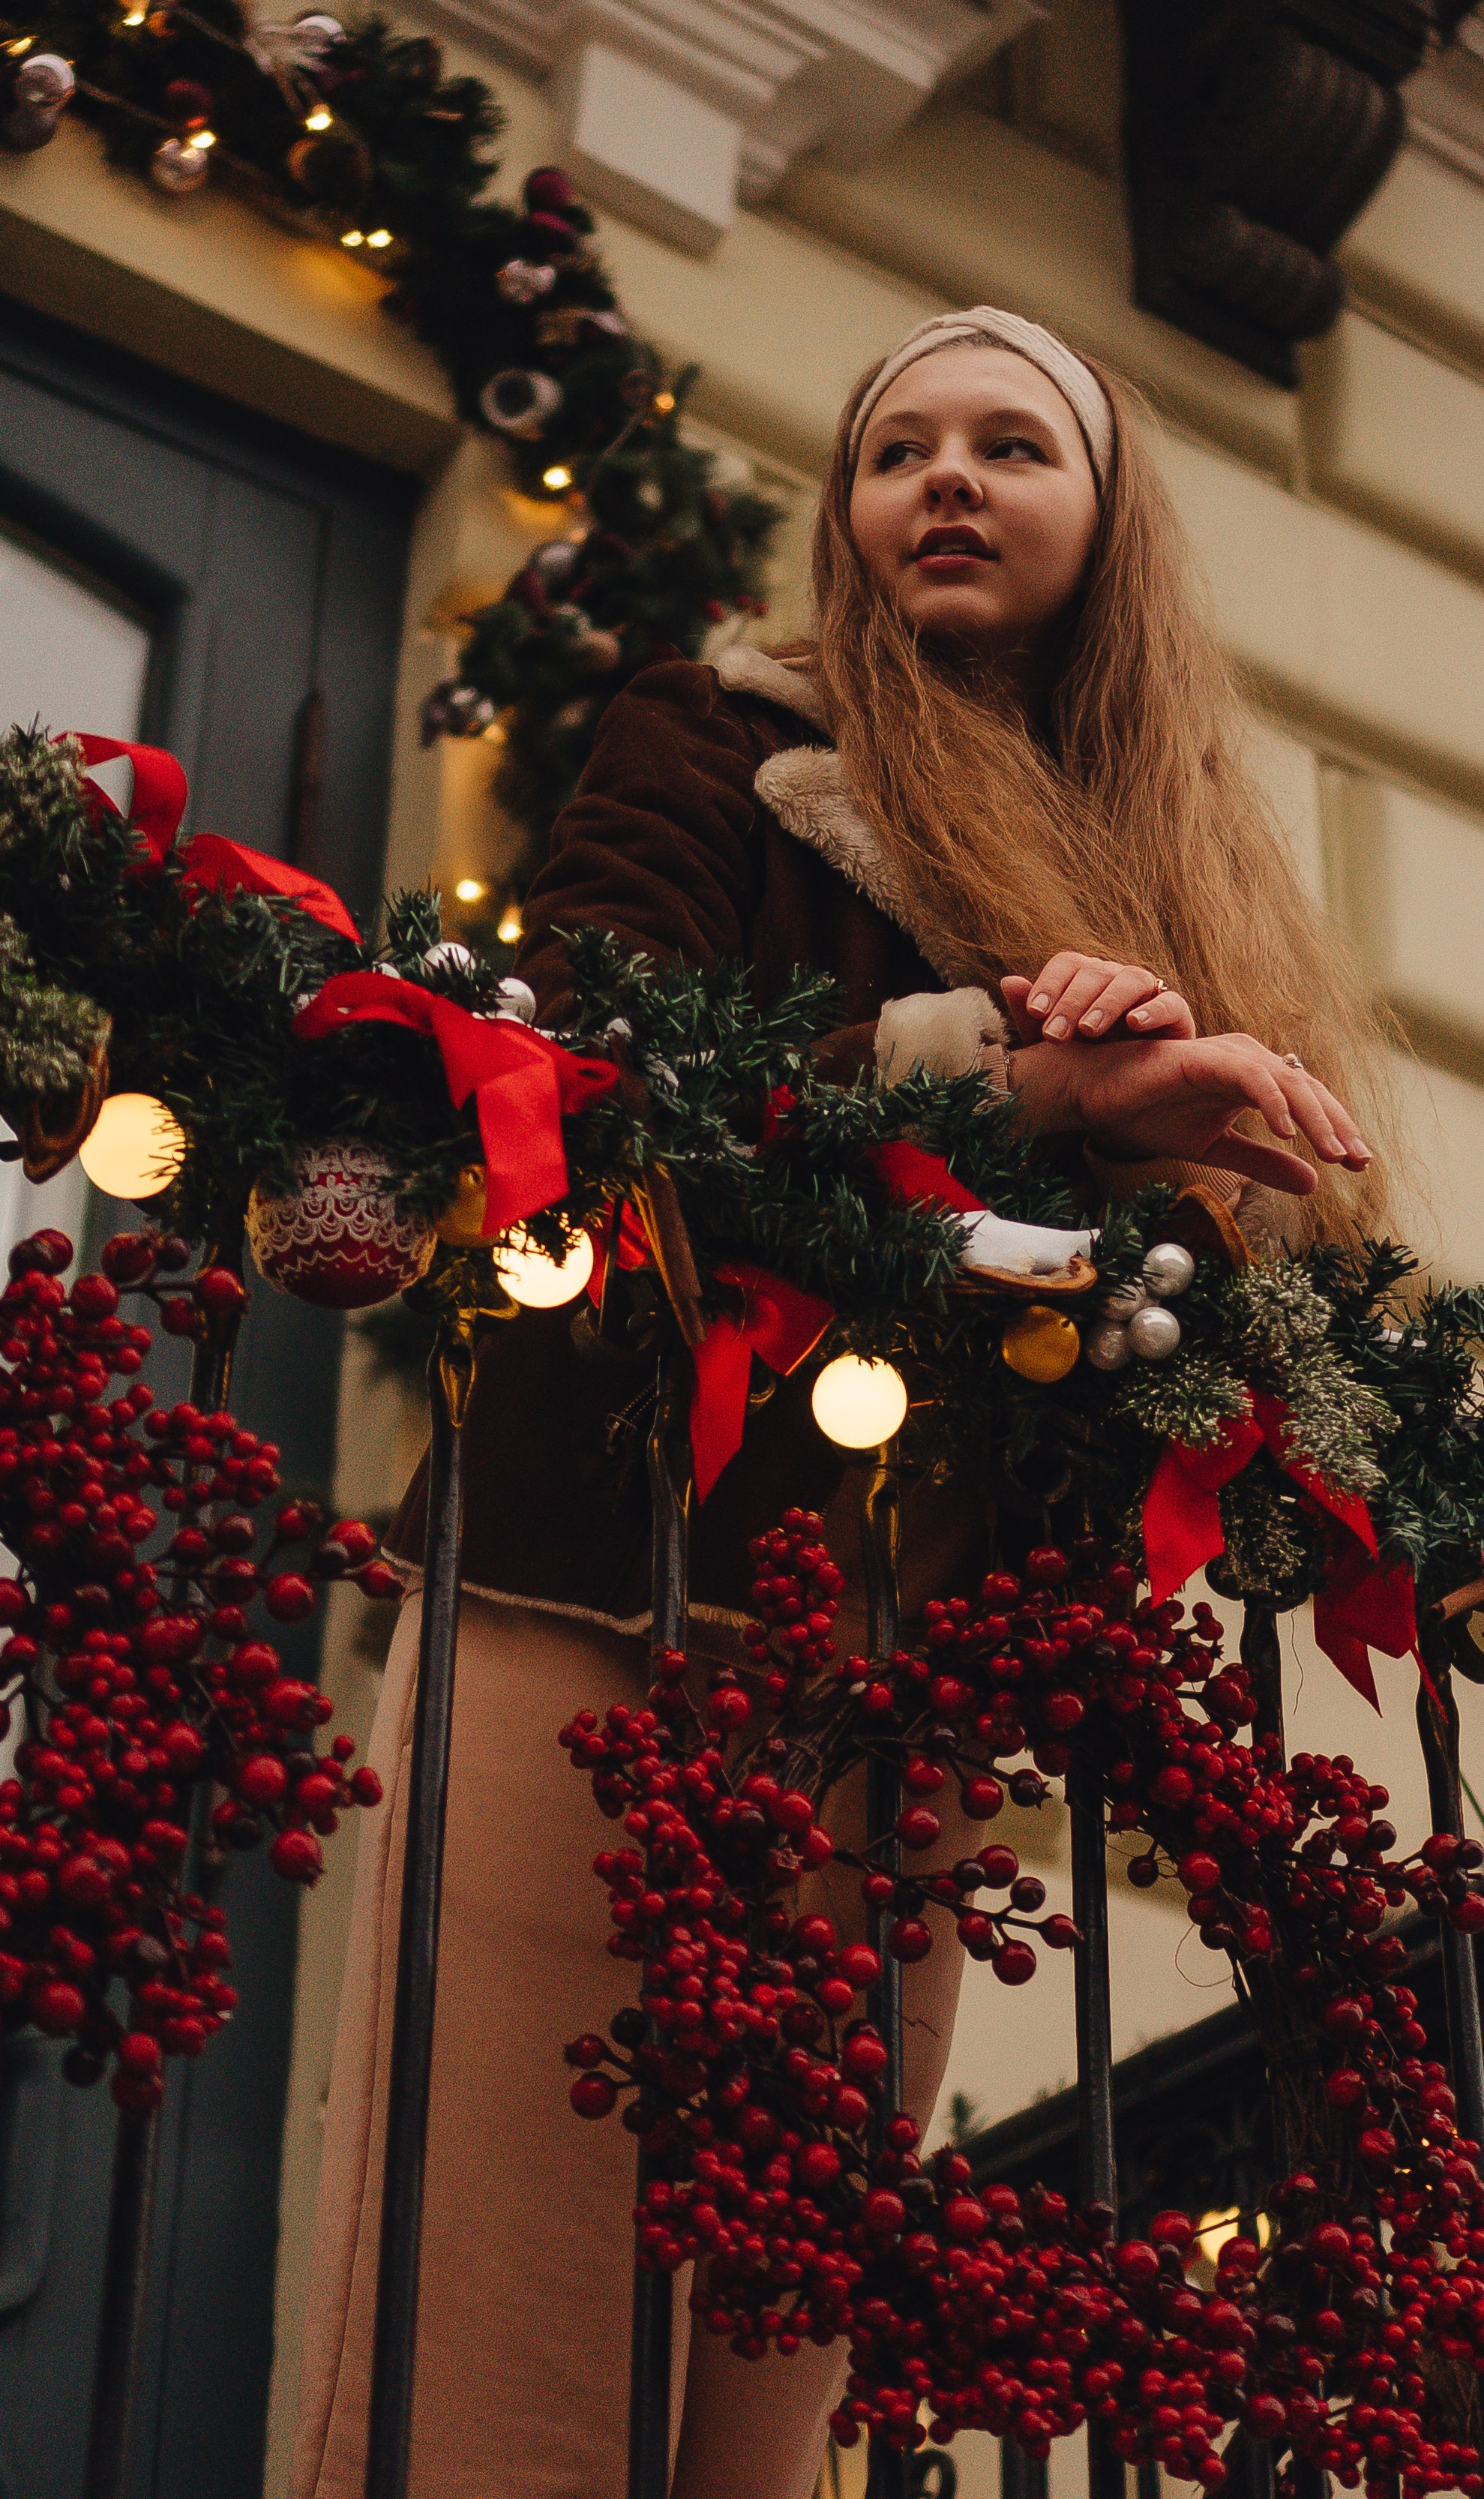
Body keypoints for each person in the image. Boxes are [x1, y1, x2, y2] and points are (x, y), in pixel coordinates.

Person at [289, 306, 1388, 2499]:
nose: (947, 477)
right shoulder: (719, 731)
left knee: (763, 2372)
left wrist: (1151, 1155)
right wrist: (1011, 1069)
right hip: (604, 1578)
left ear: (1111, 525)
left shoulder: (1177, 870)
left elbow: (1204, 1321)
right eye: (900, 449)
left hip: (908, 1672)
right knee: (500, 2319)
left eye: (1011, 445)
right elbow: (596, 1061)